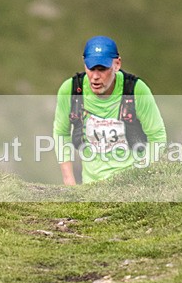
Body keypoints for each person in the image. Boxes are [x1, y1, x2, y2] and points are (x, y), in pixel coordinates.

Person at [53, 36, 166, 185]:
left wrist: (141, 176)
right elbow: (61, 134)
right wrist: (69, 182)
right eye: (91, 68)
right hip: (91, 185)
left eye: (102, 69)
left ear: (117, 64)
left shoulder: (136, 90)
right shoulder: (71, 90)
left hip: (133, 183)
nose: (95, 76)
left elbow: (157, 137)